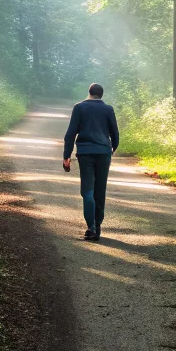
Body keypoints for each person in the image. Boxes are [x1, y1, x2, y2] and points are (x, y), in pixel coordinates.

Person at [63, 83, 119, 240]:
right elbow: (115, 132)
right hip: (103, 153)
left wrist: (66, 155)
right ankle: (97, 224)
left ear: (89, 92)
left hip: (85, 153)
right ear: (101, 95)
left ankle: (91, 227)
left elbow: (71, 133)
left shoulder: (79, 107)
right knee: (100, 189)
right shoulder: (108, 109)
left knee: (87, 190)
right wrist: (112, 149)